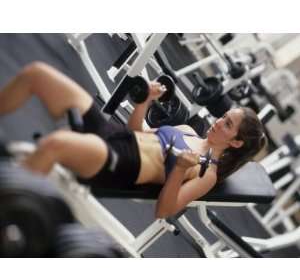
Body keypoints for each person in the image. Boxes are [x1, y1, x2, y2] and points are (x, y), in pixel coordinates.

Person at [0, 62, 266, 218]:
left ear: (236, 143)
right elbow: (136, 131)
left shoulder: (207, 173)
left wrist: (181, 170)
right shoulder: (187, 129)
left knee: (55, 144)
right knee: (38, 73)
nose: (218, 121)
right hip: (116, 134)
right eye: (223, 117)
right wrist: (145, 102)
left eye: (227, 124)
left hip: (120, 162)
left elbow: (164, 210)